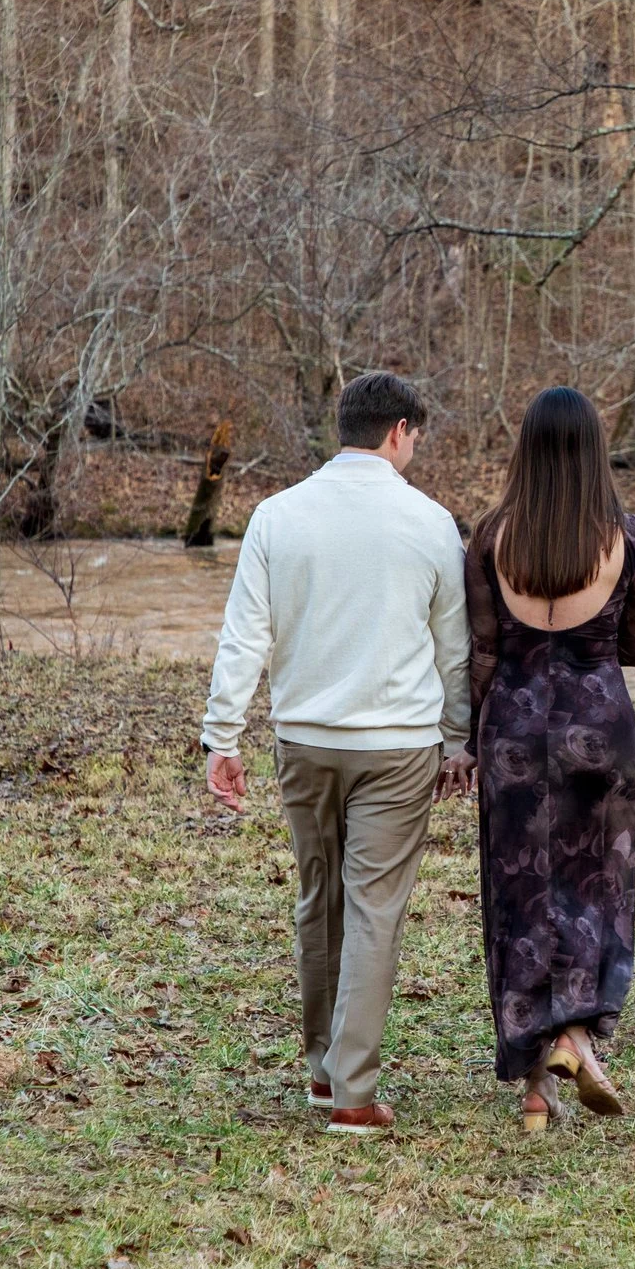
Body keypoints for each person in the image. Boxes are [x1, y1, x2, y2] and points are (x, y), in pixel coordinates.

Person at [201, 372, 476, 1137]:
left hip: (305, 741)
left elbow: (244, 635)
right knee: (373, 909)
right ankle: (352, 1090)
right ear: (398, 431)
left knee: (319, 900)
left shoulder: (276, 515)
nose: (414, 448)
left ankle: (325, 1071)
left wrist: (223, 735)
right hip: (398, 747)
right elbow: (453, 651)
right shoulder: (431, 523)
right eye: (415, 437)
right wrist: (459, 738)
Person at [465, 387, 635, 1132]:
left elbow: (483, 651)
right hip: (599, 729)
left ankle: (537, 1083)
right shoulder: (626, 536)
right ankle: (577, 1036)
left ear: (527, 451)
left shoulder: (491, 537)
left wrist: (468, 738)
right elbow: (633, 644)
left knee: (520, 896)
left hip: (512, 733)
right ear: (593, 452)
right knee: (595, 889)